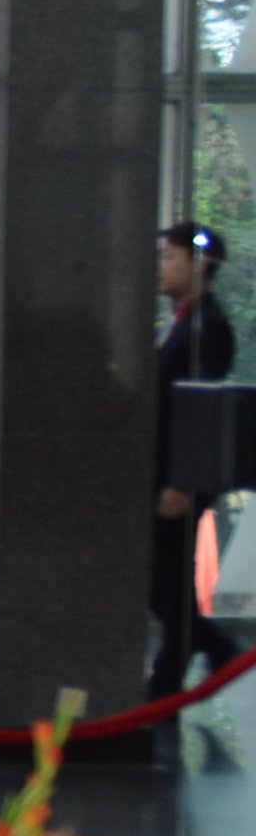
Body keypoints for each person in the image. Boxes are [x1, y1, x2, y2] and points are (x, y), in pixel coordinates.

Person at [155, 219, 241, 695]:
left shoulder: (207, 329)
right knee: (168, 584)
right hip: (170, 471)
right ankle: (209, 650)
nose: (161, 267)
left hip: (181, 476)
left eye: (170, 257)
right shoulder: (185, 323)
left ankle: (167, 684)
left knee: (168, 584)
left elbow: (199, 412)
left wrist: (183, 482)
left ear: (199, 265)